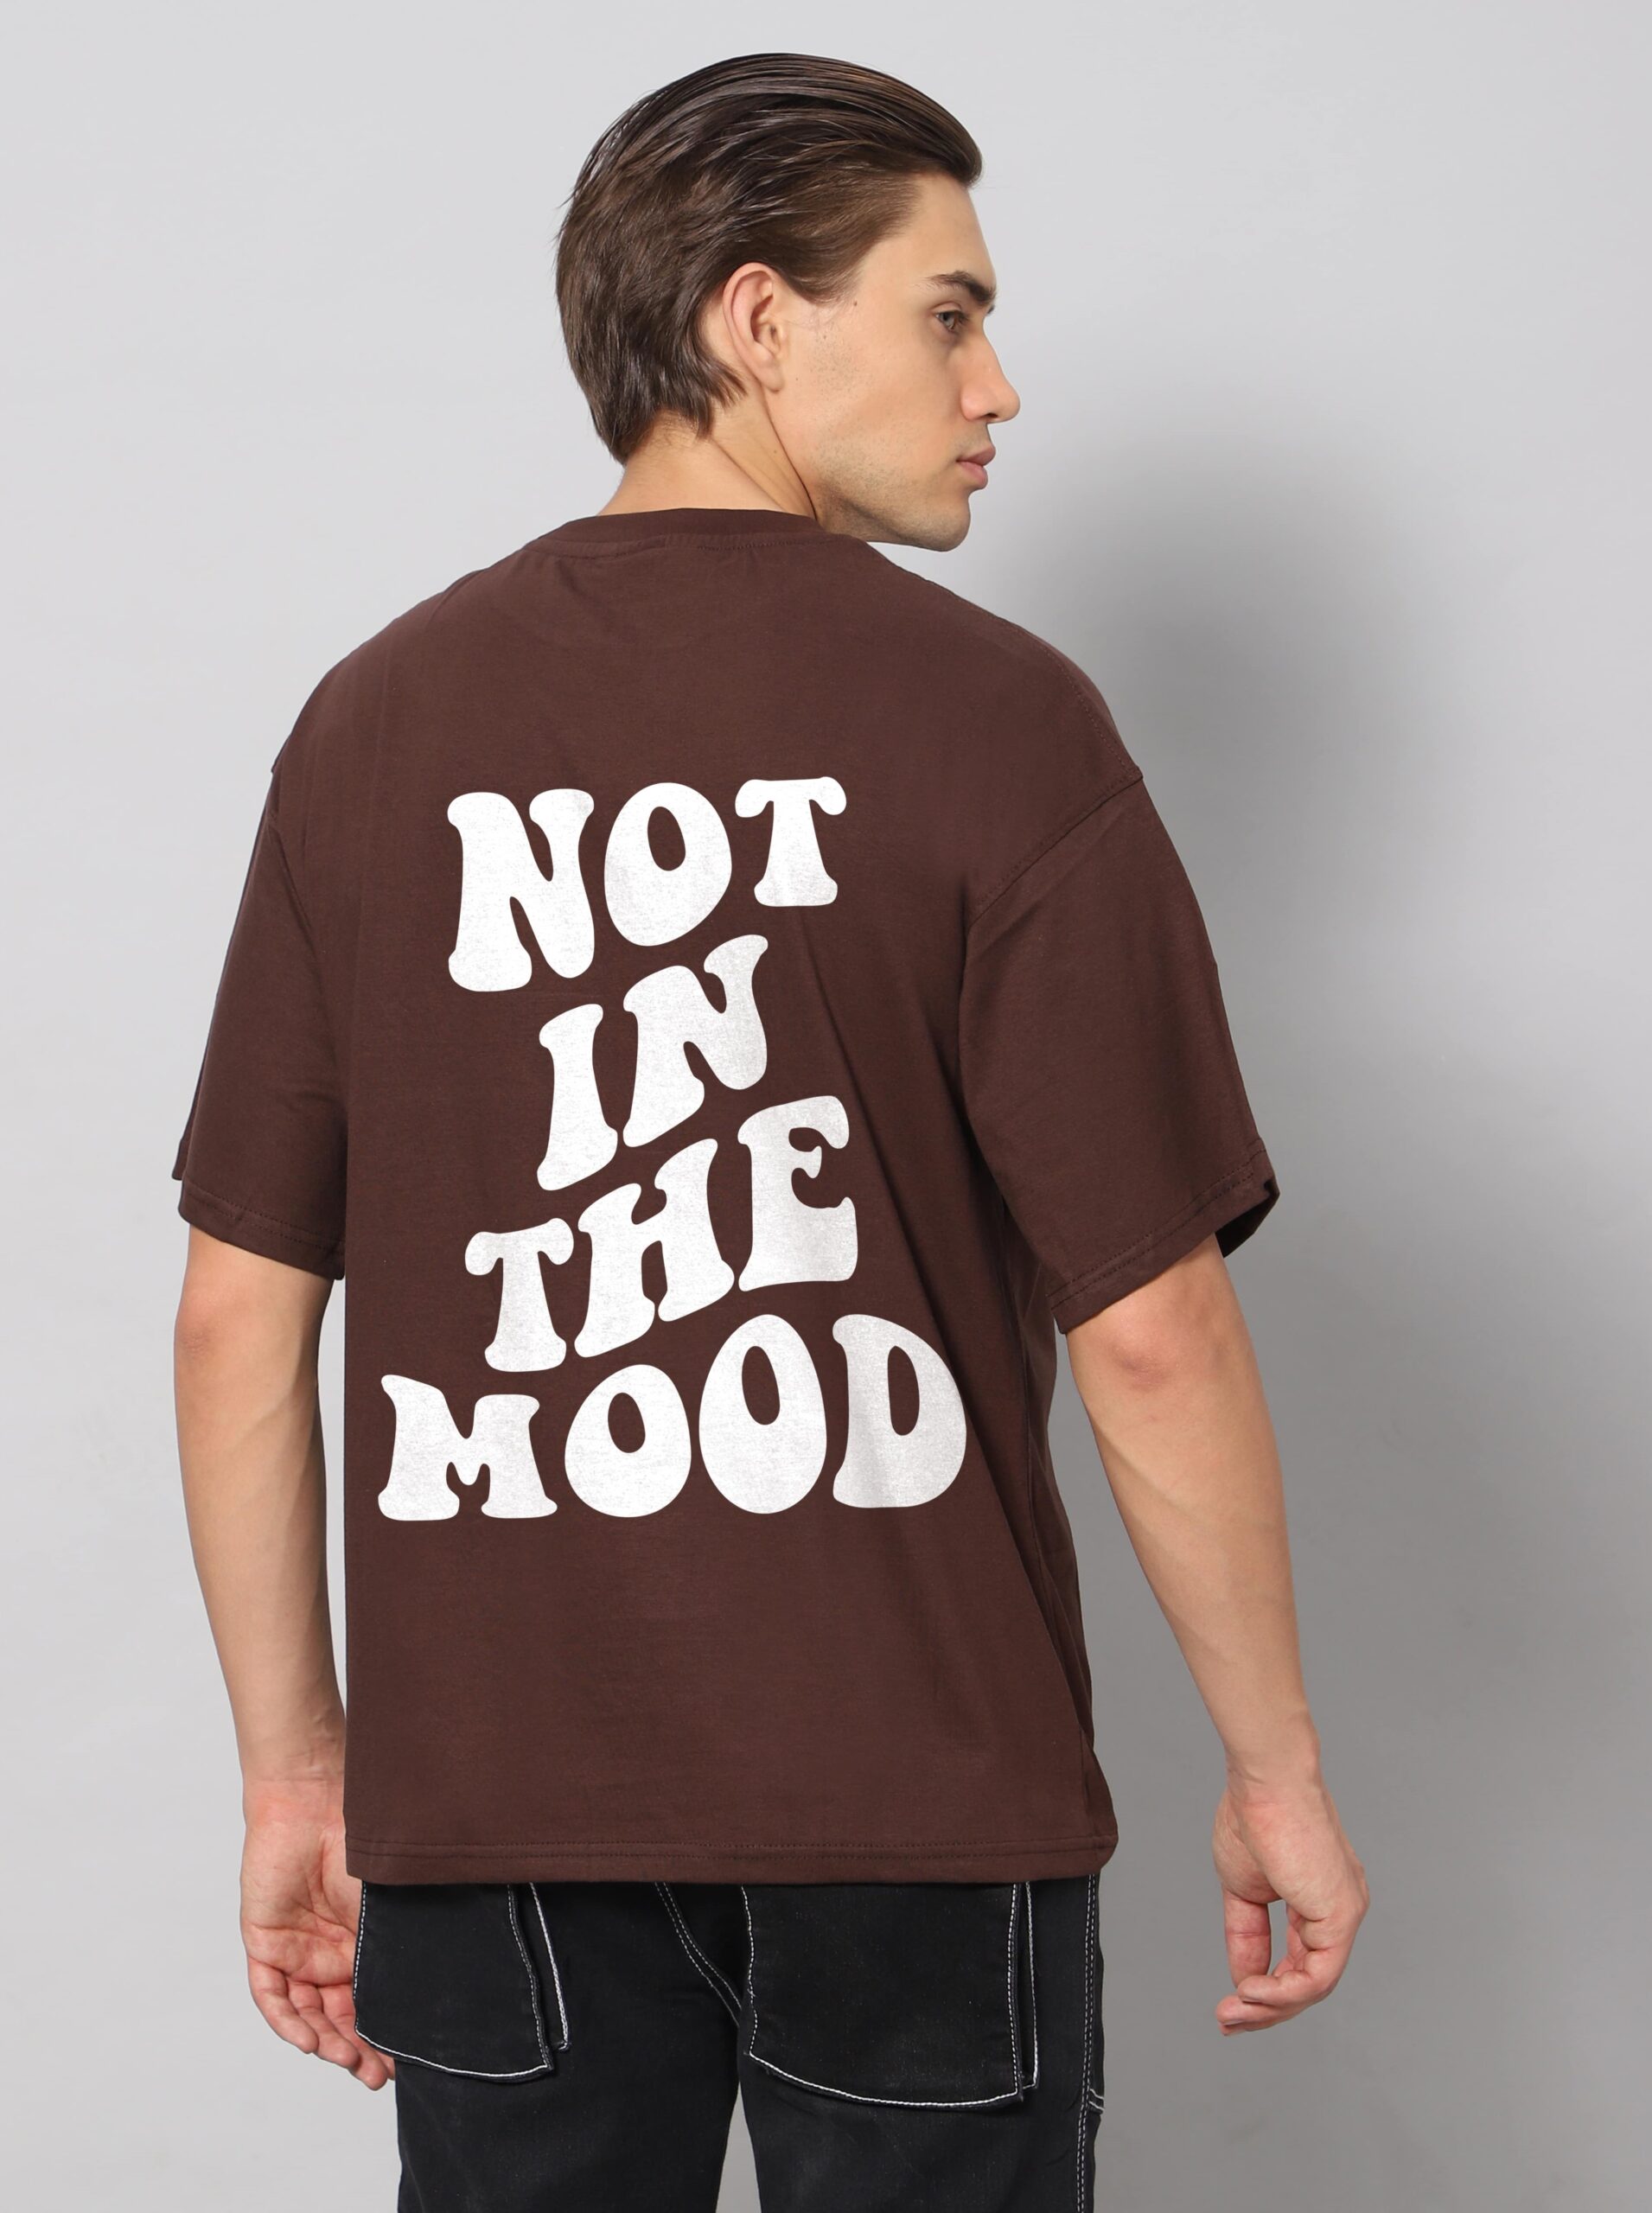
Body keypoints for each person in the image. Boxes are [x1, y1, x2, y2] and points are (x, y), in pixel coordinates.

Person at [169, 48, 1368, 2213]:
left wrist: (294, 1775)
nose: (995, 385)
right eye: (945, 311)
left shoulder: (374, 727)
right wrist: (1270, 1763)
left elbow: (236, 1318)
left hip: (495, 1821)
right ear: (752, 320)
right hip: (919, 1802)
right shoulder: (1001, 724)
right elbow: (1148, 1322)